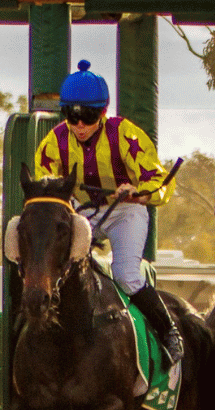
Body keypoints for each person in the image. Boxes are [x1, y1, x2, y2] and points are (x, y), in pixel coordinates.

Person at [35, 60, 181, 363]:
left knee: (126, 275)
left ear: (102, 113)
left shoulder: (125, 134)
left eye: (87, 116)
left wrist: (139, 192)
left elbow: (159, 180)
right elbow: (46, 188)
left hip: (125, 212)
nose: (79, 125)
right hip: (82, 213)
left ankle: (169, 331)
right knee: (54, 267)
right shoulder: (53, 143)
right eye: (71, 115)